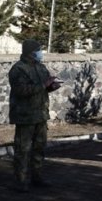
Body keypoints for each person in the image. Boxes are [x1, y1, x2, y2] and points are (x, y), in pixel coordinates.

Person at [8, 39, 61, 192]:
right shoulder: (18, 69)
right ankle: (21, 181)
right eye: (38, 50)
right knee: (22, 150)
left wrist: (51, 87)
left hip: (40, 115)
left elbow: (42, 89)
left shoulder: (41, 67)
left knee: (39, 148)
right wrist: (44, 85)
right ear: (31, 53)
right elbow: (21, 90)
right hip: (25, 116)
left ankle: (37, 177)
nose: (41, 53)